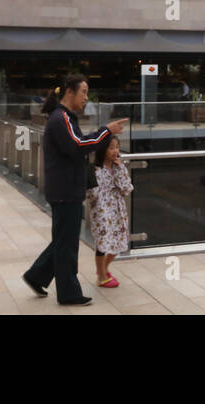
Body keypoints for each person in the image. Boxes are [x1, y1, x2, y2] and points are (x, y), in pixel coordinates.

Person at [23, 75, 128, 306]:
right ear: (70, 92)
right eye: (83, 92)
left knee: (64, 240)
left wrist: (103, 133)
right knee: (67, 244)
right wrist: (105, 131)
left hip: (65, 188)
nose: (86, 98)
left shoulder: (64, 117)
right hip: (65, 190)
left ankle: (36, 276)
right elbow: (78, 145)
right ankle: (69, 293)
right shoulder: (61, 118)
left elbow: (78, 142)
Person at [88, 135, 133, 288]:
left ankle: (103, 269)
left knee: (119, 241)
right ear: (103, 149)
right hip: (101, 211)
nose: (115, 151)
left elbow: (127, 188)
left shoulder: (118, 167)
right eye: (111, 147)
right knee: (102, 244)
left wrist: (121, 168)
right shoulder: (95, 169)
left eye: (117, 147)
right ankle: (101, 277)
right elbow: (91, 195)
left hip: (118, 210)